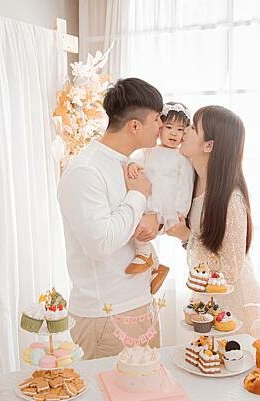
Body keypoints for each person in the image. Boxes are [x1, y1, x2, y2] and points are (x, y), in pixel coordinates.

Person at [57, 78, 164, 359]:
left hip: (138, 305)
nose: (162, 126)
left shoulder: (127, 163)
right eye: (157, 119)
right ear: (135, 126)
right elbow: (101, 244)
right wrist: (139, 195)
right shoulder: (85, 171)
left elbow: (130, 221)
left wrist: (153, 219)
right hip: (106, 317)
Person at [167, 105, 260, 335]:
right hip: (206, 294)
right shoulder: (189, 178)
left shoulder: (231, 200)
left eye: (192, 127)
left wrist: (186, 236)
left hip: (234, 302)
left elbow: (230, 269)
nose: (184, 130)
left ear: (208, 145)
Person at [124, 102, 195, 295]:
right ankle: (154, 265)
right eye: (169, 127)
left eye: (180, 129)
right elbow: (135, 160)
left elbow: (185, 185)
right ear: (160, 128)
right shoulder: (149, 151)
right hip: (149, 201)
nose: (174, 133)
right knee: (135, 226)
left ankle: (147, 258)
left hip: (167, 207)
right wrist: (132, 165)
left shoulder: (182, 158)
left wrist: (180, 211)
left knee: (142, 229)